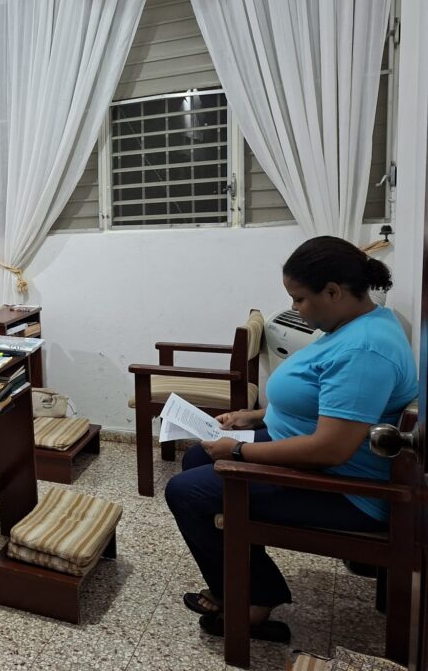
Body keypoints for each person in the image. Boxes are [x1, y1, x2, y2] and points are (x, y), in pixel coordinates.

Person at [165, 236, 418, 643]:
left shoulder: (365, 350)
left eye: (299, 298)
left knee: (186, 492)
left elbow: (331, 448)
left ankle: (252, 600)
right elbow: (323, 402)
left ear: (333, 292)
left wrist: (241, 450)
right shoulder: (356, 325)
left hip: (347, 490)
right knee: (197, 459)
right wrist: (255, 416)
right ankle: (247, 581)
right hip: (316, 457)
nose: (296, 308)